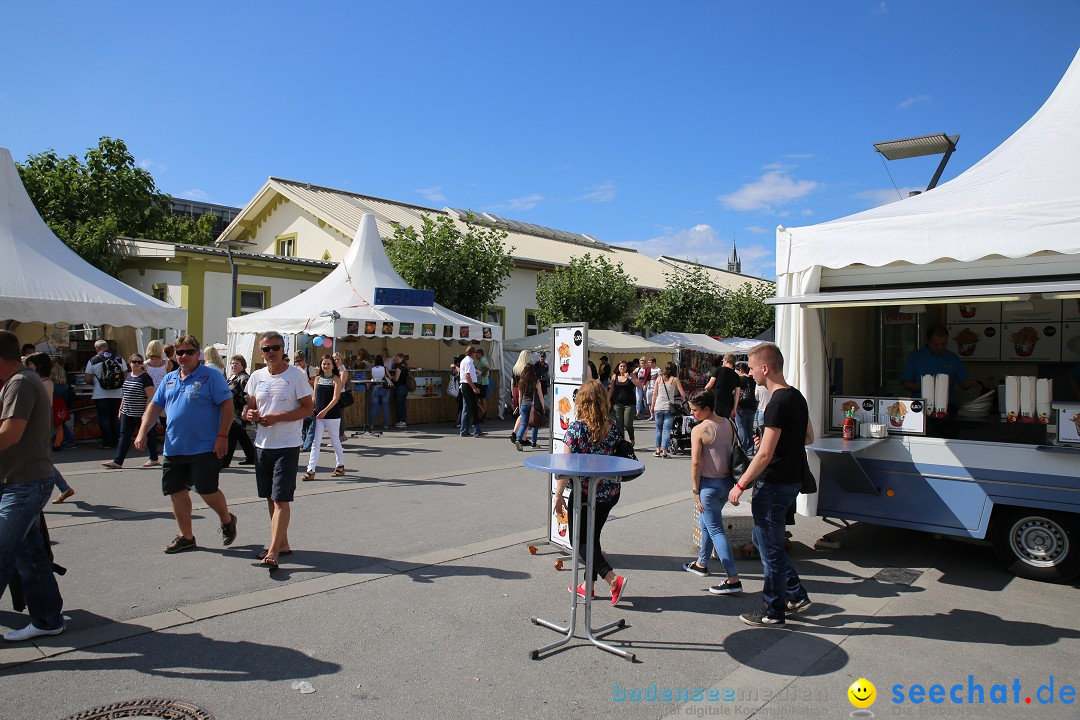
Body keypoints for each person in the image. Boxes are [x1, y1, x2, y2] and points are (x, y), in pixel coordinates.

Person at [728, 343, 812, 627]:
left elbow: (764, 455)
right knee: (762, 540)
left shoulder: (776, 403)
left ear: (765, 368)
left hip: (773, 483)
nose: (749, 375)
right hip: (791, 481)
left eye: (751, 368)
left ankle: (773, 610)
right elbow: (808, 437)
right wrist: (772, 438)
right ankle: (795, 593)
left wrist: (740, 485)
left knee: (771, 549)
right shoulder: (797, 398)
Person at [134, 335, 238, 555]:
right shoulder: (170, 379)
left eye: (189, 352)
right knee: (176, 491)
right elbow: (154, 407)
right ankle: (186, 536)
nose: (184, 356)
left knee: (207, 491)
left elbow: (227, 405)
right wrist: (143, 432)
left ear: (198, 354)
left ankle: (227, 519)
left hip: (205, 447)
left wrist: (223, 436)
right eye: (179, 352)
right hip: (174, 448)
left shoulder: (211, 377)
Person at [0, 330, 66, 642]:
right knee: (30, 555)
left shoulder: (21, 383)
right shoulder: (19, 381)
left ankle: (48, 619)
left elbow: (11, 433)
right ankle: (48, 619)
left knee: (4, 552)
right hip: (21, 480)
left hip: (24, 483)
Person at [552, 380, 628, 605]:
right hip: (609, 492)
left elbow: (566, 469)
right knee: (592, 538)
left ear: (581, 401)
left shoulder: (575, 429)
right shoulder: (612, 428)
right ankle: (588, 586)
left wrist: (558, 496)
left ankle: (612, 579)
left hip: (585, 494)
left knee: (579, 542)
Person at [243, 331, 314, 570]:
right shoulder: (256, 376)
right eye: (266, 349)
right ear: (261, 352)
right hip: (263, 445)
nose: (270, 353)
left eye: (275, 348)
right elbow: (250, 408)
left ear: (283, 350)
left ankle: (273, 552)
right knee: (270, 498)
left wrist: (280, 417)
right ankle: (282, 544)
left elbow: (307, 409)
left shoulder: (296, 376)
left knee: (281, 498)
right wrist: (250, 414)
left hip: (287, 445)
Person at [684, 391, 743, 594]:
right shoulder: (728, 423)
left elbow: (695, 463)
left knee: (716, 529)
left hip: (708, 486)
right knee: (707, 522)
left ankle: (733, 578)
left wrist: (695, 489)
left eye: (694, 410)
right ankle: (701, 563)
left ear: (706, 409)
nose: (691, 413)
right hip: (726, 483)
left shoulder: (700, 430)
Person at [24, 354, 76, 504]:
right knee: (39, 461)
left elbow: (43, 407)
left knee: (40, 461)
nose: (28, 367)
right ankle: (64, 488)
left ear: (37, 366)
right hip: (38, 426)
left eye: (30, 364)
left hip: (40, 427)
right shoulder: (41, 381)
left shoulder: (46, 382)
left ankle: (62, 488)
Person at [103, 353, 159, 469]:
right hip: (127, 412)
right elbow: (125, 394)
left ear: (142, 363)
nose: (137, 364)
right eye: (134, 362)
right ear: (130, 363)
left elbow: (150, 396)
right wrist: (120, 409)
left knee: (148, 434)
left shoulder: (145, 378)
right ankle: (118, 461)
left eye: (139, 362)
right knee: (124, 436)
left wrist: (146, 412)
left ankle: (154, 458)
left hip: (140, 412)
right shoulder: (128, 376)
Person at [901, 325, 979, 407]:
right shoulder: (915, 357)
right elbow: (906, 384)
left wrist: (969, 384)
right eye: (936, 344)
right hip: (920, 407)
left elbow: (962, 382)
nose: (940, 347)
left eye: (943, 344)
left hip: (947, 406)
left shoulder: (952, 358)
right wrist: (927, 386)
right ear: (927, 340)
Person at [302, 354, 346, 480]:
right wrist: (310, 408)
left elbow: (335, 398)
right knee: (316, 442)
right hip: (318, 415)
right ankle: (311, 469)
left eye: (328, 363)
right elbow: (314, 396)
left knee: (334, 440)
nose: (326, 366)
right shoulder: (317, 378)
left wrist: (325, 411)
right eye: (324, 363)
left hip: (332, 415)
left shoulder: (336, 379)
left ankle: (340, 465)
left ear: (332, 365)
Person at [84, 339, 127, 449]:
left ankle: (107, 442)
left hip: (100, 394)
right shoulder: (119, 358)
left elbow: (87, 378)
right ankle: (116, 441)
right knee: (116, 417)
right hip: (118, 393)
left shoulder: (93, 360)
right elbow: (125, 376)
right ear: (107, 347)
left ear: (96, 348)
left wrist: (96, 381)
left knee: (104, 418)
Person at [222, 355, 257, 468]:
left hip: (238, 411)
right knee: (241, 435)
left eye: (236, 363)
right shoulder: (233, 377)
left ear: (243, 365)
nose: (233, 365)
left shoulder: (244, 378)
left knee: (232, 435)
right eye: (232, 363)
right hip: (230, 410)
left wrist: (245, 410)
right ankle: (252, 456)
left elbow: (248, 396)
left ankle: (225, 461)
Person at [651, 361, 686, 459]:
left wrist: (652, 406)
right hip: (669, 408)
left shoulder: (659, 379)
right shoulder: (675, 380)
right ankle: (665, 453)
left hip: (658, 406)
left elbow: (654, 394)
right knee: (667, 430)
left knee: (658, 430)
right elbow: (682, 394)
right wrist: (683, 402)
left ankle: (658, 451)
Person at [513, 362, 545, 451]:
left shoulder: (521, 381)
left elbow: (520, 396)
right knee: (535, 424)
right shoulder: (536, 381)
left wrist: (520, 407)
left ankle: (518, 439)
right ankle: (534, 443)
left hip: (524, 404)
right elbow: (541, 395)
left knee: (524, 423)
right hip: (533, 406)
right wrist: (543, 407)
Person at [608, 360, 641, 446]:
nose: (622, 368)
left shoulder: (631, 375)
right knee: (619, 424)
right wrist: (607, 400)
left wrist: (630, 378)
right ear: (618, 368)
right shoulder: (615, 376)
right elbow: (611, 390)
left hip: (629, 403)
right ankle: (621, 442)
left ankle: (632, 438)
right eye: (621, 366)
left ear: (627, 367)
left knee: (628, 423)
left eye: (624, 366)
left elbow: (639, 385)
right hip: (617, 403)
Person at [49, 363, 78, 453]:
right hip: (61, 406)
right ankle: (65, 441)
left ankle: (58, 443)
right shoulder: (64, 386)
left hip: (53, 406)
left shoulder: (51, 385)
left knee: (57, 426)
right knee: (61, 426)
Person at [704, 353, 740, 420]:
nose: (723, 362)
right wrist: (734, 409)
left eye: (723, 360)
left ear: (726, 360)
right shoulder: (736, 376)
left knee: (712, 421)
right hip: (727, 403)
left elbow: (709, 385)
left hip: (715, 400)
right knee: (723, 423)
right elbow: (737, 394)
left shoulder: (718, 370)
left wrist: (701, 394)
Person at [734, 361, 758, 456]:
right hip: (752, 405)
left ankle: (743, 449)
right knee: (749, 427)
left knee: (741, 428)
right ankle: (750, 449)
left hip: (741, 405)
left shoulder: (739, 380)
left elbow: (735, 393)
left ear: (740, 370)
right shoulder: (753, 379)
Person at [459, 345, 482, 438]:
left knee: (466, 409)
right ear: (473, 353)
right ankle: (476, 430)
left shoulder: (464, 360)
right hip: (468, 385)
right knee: (473, 408)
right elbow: (467, 376)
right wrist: (474, 388)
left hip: (465, 385)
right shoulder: (468, 361)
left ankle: (464, 430)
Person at [509, 350, 532, 443]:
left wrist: (512, 392)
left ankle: (514, 433)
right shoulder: (526, 368)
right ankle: (523, 438)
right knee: (526, 416)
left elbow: (512, 381)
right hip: (523, 391)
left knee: (521, 413)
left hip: (515, 390)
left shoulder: (515, 367)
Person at [368, 355, 390, 435]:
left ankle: (372, 425)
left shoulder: (372, 369)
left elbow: (372, 378)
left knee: (374, 407)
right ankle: (385, 425)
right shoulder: (385, 368)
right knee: (385, 407)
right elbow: (389, 377)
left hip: (376, 388)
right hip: (384, 389)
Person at [392, 353, 410, 428]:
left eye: (398, 358)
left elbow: (396, 379)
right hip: (405, 387)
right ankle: (403, 421)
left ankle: (400, 421)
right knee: (403, 405)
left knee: (399, 405)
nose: (396, 360)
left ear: (402, 359)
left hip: (399, 388)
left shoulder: (399, 368)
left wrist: (391, 377)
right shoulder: (406, 367)